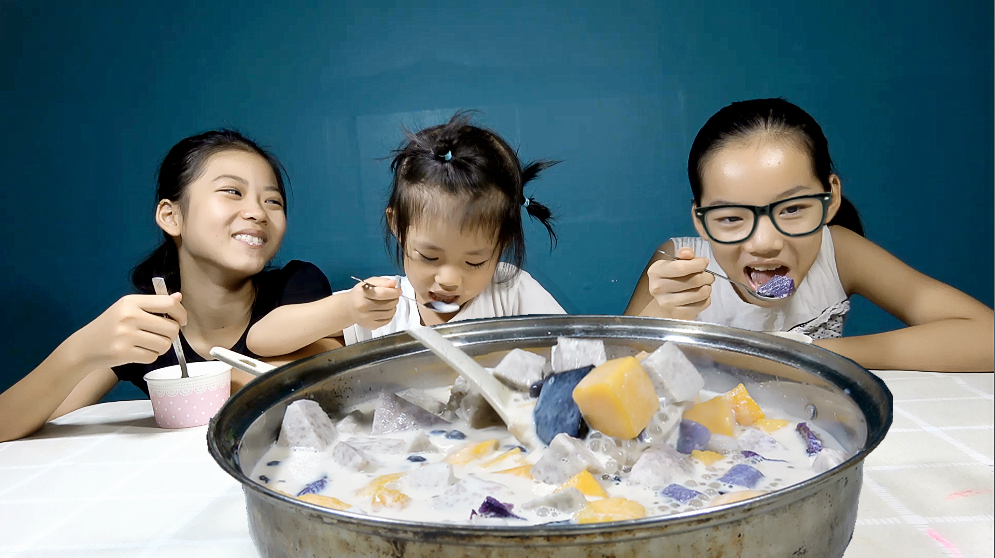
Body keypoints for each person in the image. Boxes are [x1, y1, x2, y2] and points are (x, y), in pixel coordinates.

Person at [0, 129, 334, 442]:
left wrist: (202, 386)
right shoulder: (148, 328)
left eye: (272, 201)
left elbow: (327, 380)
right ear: (171, 216)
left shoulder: (296, 287)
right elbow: (11, 424)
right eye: (233, 192)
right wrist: (82, 350)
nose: (258, 212)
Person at [625, 98, 993, 372]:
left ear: (830, 197)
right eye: (732, 217)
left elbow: (985, 336)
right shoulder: (676, 265)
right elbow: (608, 387)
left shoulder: (838, 252)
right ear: (701, 221)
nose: (764, 243)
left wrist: (799, 352)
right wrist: (661, 312)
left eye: (793, 209)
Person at [247, 111, 565, 352]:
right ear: (397, 227)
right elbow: (261, 341)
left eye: (475, 262)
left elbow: (578, 353)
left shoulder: (510, 293)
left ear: (501, 245)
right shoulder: (387, 307)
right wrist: (347, 309)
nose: (449, 279)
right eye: (430, 256)